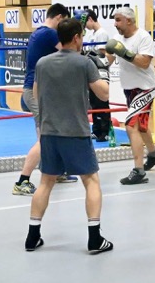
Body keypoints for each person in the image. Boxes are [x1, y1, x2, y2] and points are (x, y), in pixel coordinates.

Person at [25, 16, 114, 254]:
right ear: (76, 38)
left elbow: (36, 94)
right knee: (91, 181)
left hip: (49, 132)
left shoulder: (43, 63)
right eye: (81, 37)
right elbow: (104, 95)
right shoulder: (83, 63)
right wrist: (103, 70)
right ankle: (95, 238)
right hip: (75, 132)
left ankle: (32, 236)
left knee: (46, 182)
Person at [12, 3, 72, 196]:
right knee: (45, 138)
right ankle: (22, 180)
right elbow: (69, 53)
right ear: (59, 17)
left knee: (52, 134)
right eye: (65, 22)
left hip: (37, 89)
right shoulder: (50, 34)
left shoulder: (38, 32)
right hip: (36, 91)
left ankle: (56, 172)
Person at [106, 6, 155, 184]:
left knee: (131, 125)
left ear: (129, 21)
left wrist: (124, 52)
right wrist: (101, 57)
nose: (115, 24)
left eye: (118, 20)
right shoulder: (117, 38)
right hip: (129, 88)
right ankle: (153, 155)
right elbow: (109, 60)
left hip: (145, 88)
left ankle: (138, 171)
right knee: (141, 127)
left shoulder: (143, 37)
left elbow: (144, 63)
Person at [81, 9, 113, 142]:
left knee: (102, 102)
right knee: (94, 102)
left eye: (86, 23)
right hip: (92, 71)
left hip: (100, 70)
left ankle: (105, 131)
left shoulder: (102, 33)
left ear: (90, 19)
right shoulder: (92, 35)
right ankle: (96, 129)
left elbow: (101, 54)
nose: (85, 26)